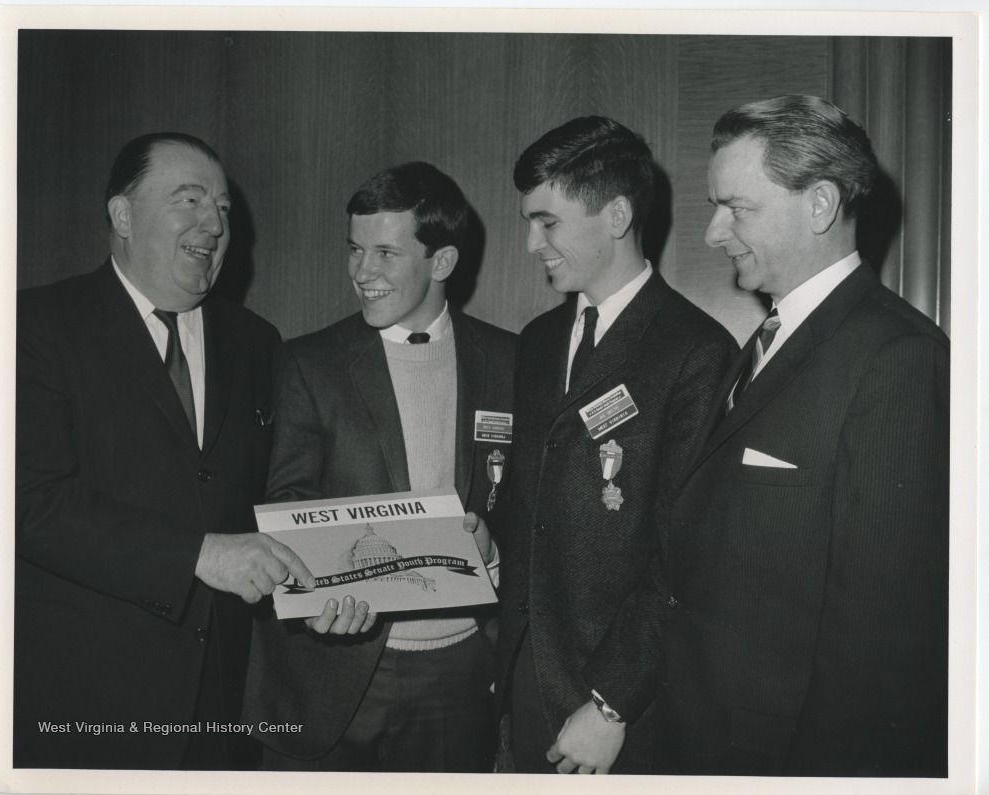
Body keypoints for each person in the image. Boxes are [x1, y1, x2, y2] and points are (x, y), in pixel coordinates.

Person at [652, 95, 949, 776]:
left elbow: (882, 651)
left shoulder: (898, 357)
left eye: (738, 207)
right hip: (702, 739)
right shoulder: (764, 343)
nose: (713, 232)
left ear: (819, 205)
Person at [14, 133, 315, 770]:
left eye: (225, 208)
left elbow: (279, 494)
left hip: (223, 705)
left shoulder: (258, 341)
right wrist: (199, 555)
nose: (214, 223)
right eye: (190, 200)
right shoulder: (33, 326)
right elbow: (28, 503)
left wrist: (331, 579)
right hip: (86, 698)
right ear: (122, 216)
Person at [243, 161, 516, 772]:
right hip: (333, 670)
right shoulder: (307, 362)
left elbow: (529, 508)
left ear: (440, 262)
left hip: (461, 668)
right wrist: (314, 592)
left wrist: (493, 551)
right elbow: (288, 500)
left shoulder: (510, 360)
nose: (361, 272)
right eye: (355, 250)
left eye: (385, 253)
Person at [496, 116, 737, 774]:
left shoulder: (696, 351)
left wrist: (610, 704)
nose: (530, 243)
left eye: (547, 222)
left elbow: (684, 557)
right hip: (525, 682)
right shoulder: (539, 341)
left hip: (620, 702)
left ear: (617, 215)